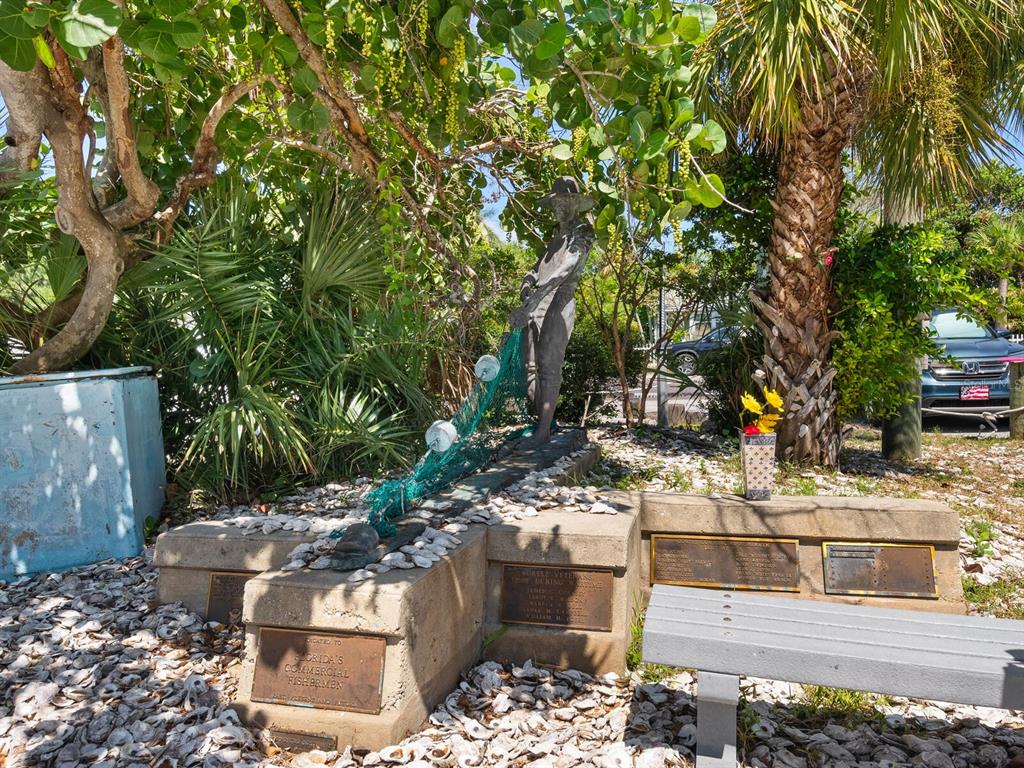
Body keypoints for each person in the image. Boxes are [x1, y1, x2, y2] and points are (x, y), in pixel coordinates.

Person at [509, 176, 595, 447]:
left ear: (574, 203)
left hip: (558, 303)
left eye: (562, 201)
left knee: (549, 367)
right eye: (554, 203)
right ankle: (542, 424)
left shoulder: (583, 233)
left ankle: (543, 432)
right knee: (530, 368)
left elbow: (564, 271)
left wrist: (536, 297)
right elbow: (537, 269)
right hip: (536, 304)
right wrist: (527, 283)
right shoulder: (555, 238)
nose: (557, 207)